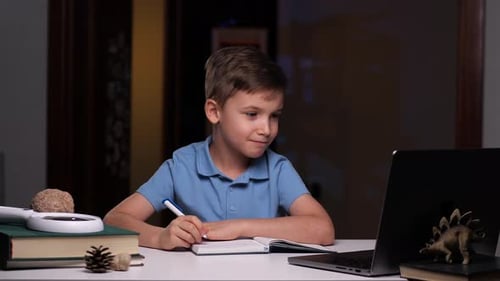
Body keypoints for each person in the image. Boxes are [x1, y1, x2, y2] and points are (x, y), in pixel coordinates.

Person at [103, 46, 335, 250]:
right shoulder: (182, 165)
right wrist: (160, 237)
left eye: (274, 116)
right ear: (214, 112)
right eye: (252, 114)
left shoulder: (277, 169)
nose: (267, 128)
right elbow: (114, 220)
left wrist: (239, 227)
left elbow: (322, 229)